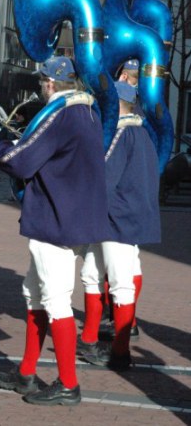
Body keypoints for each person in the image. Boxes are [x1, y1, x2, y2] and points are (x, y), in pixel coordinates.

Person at [0, 56, 111, 406]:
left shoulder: (60, 112)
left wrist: (0, 143)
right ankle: (27, 373)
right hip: (73, 218)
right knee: (35, 293)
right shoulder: (88, 111)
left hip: (55, 219)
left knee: (55, 300)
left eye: (42, 82)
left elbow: (21, 161)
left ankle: (68, 384)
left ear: (51, 83)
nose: (40, 87)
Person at [79, 81, 160, 370]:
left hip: (116, 217)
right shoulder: (142, 132)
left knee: (117, 282)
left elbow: (104, 178)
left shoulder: (119, 132)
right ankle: (89, 339)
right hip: (126, 215)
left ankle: (120, 351)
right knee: (92, 273)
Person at [100, 59, 143, 341]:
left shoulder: (123, 127)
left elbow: (108, 176)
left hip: (119, 212)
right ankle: (126, 320)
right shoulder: (142, 120)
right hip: (135, 207)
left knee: (118, 276)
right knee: (131, 266)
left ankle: (121, 343)